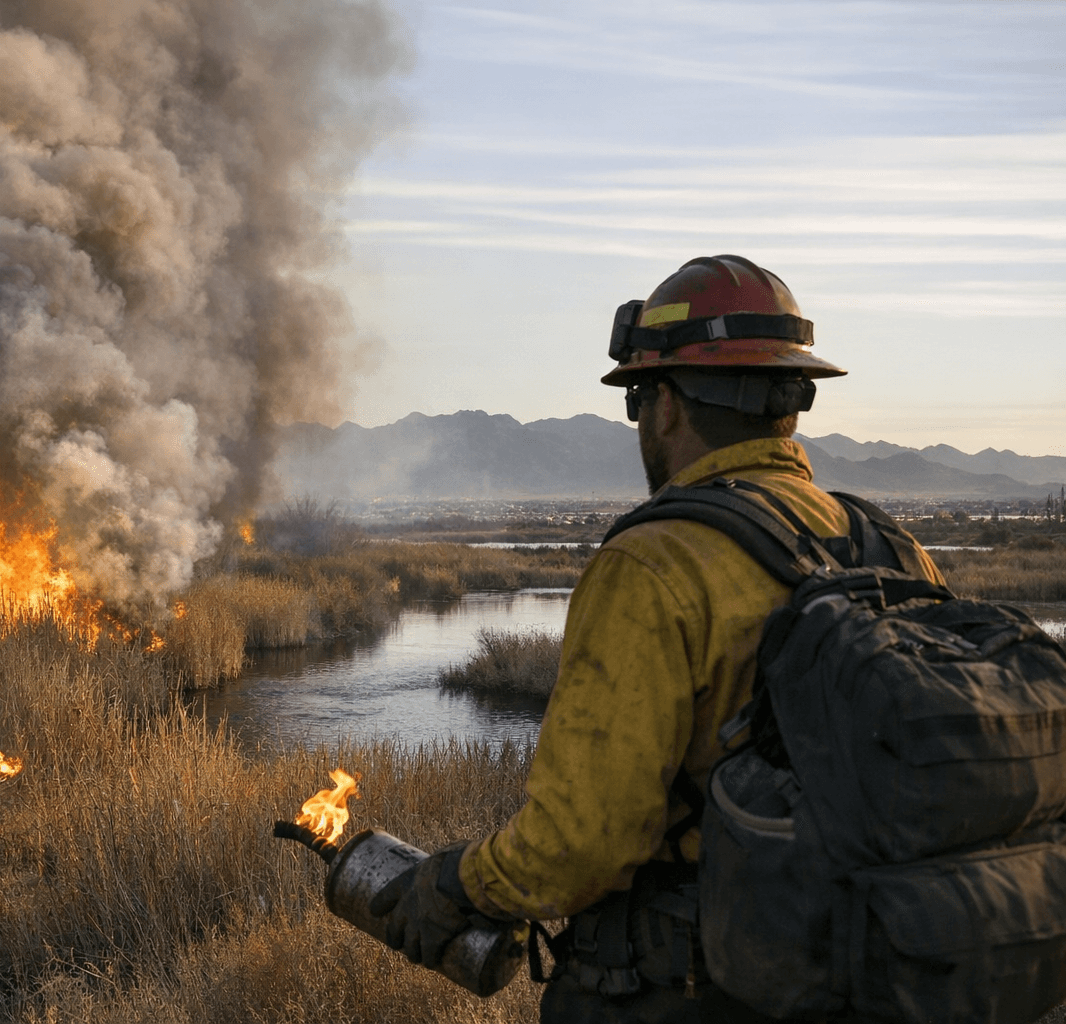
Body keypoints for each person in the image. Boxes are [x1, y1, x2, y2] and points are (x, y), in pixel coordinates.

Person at [369, 255, 945, 1022]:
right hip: (877, 975)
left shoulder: (652, 564)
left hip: (700, 989)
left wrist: (455, 885)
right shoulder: (893, 547)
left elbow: (580, 842)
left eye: (638, 400)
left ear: (665, 405)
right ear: (792, 398)